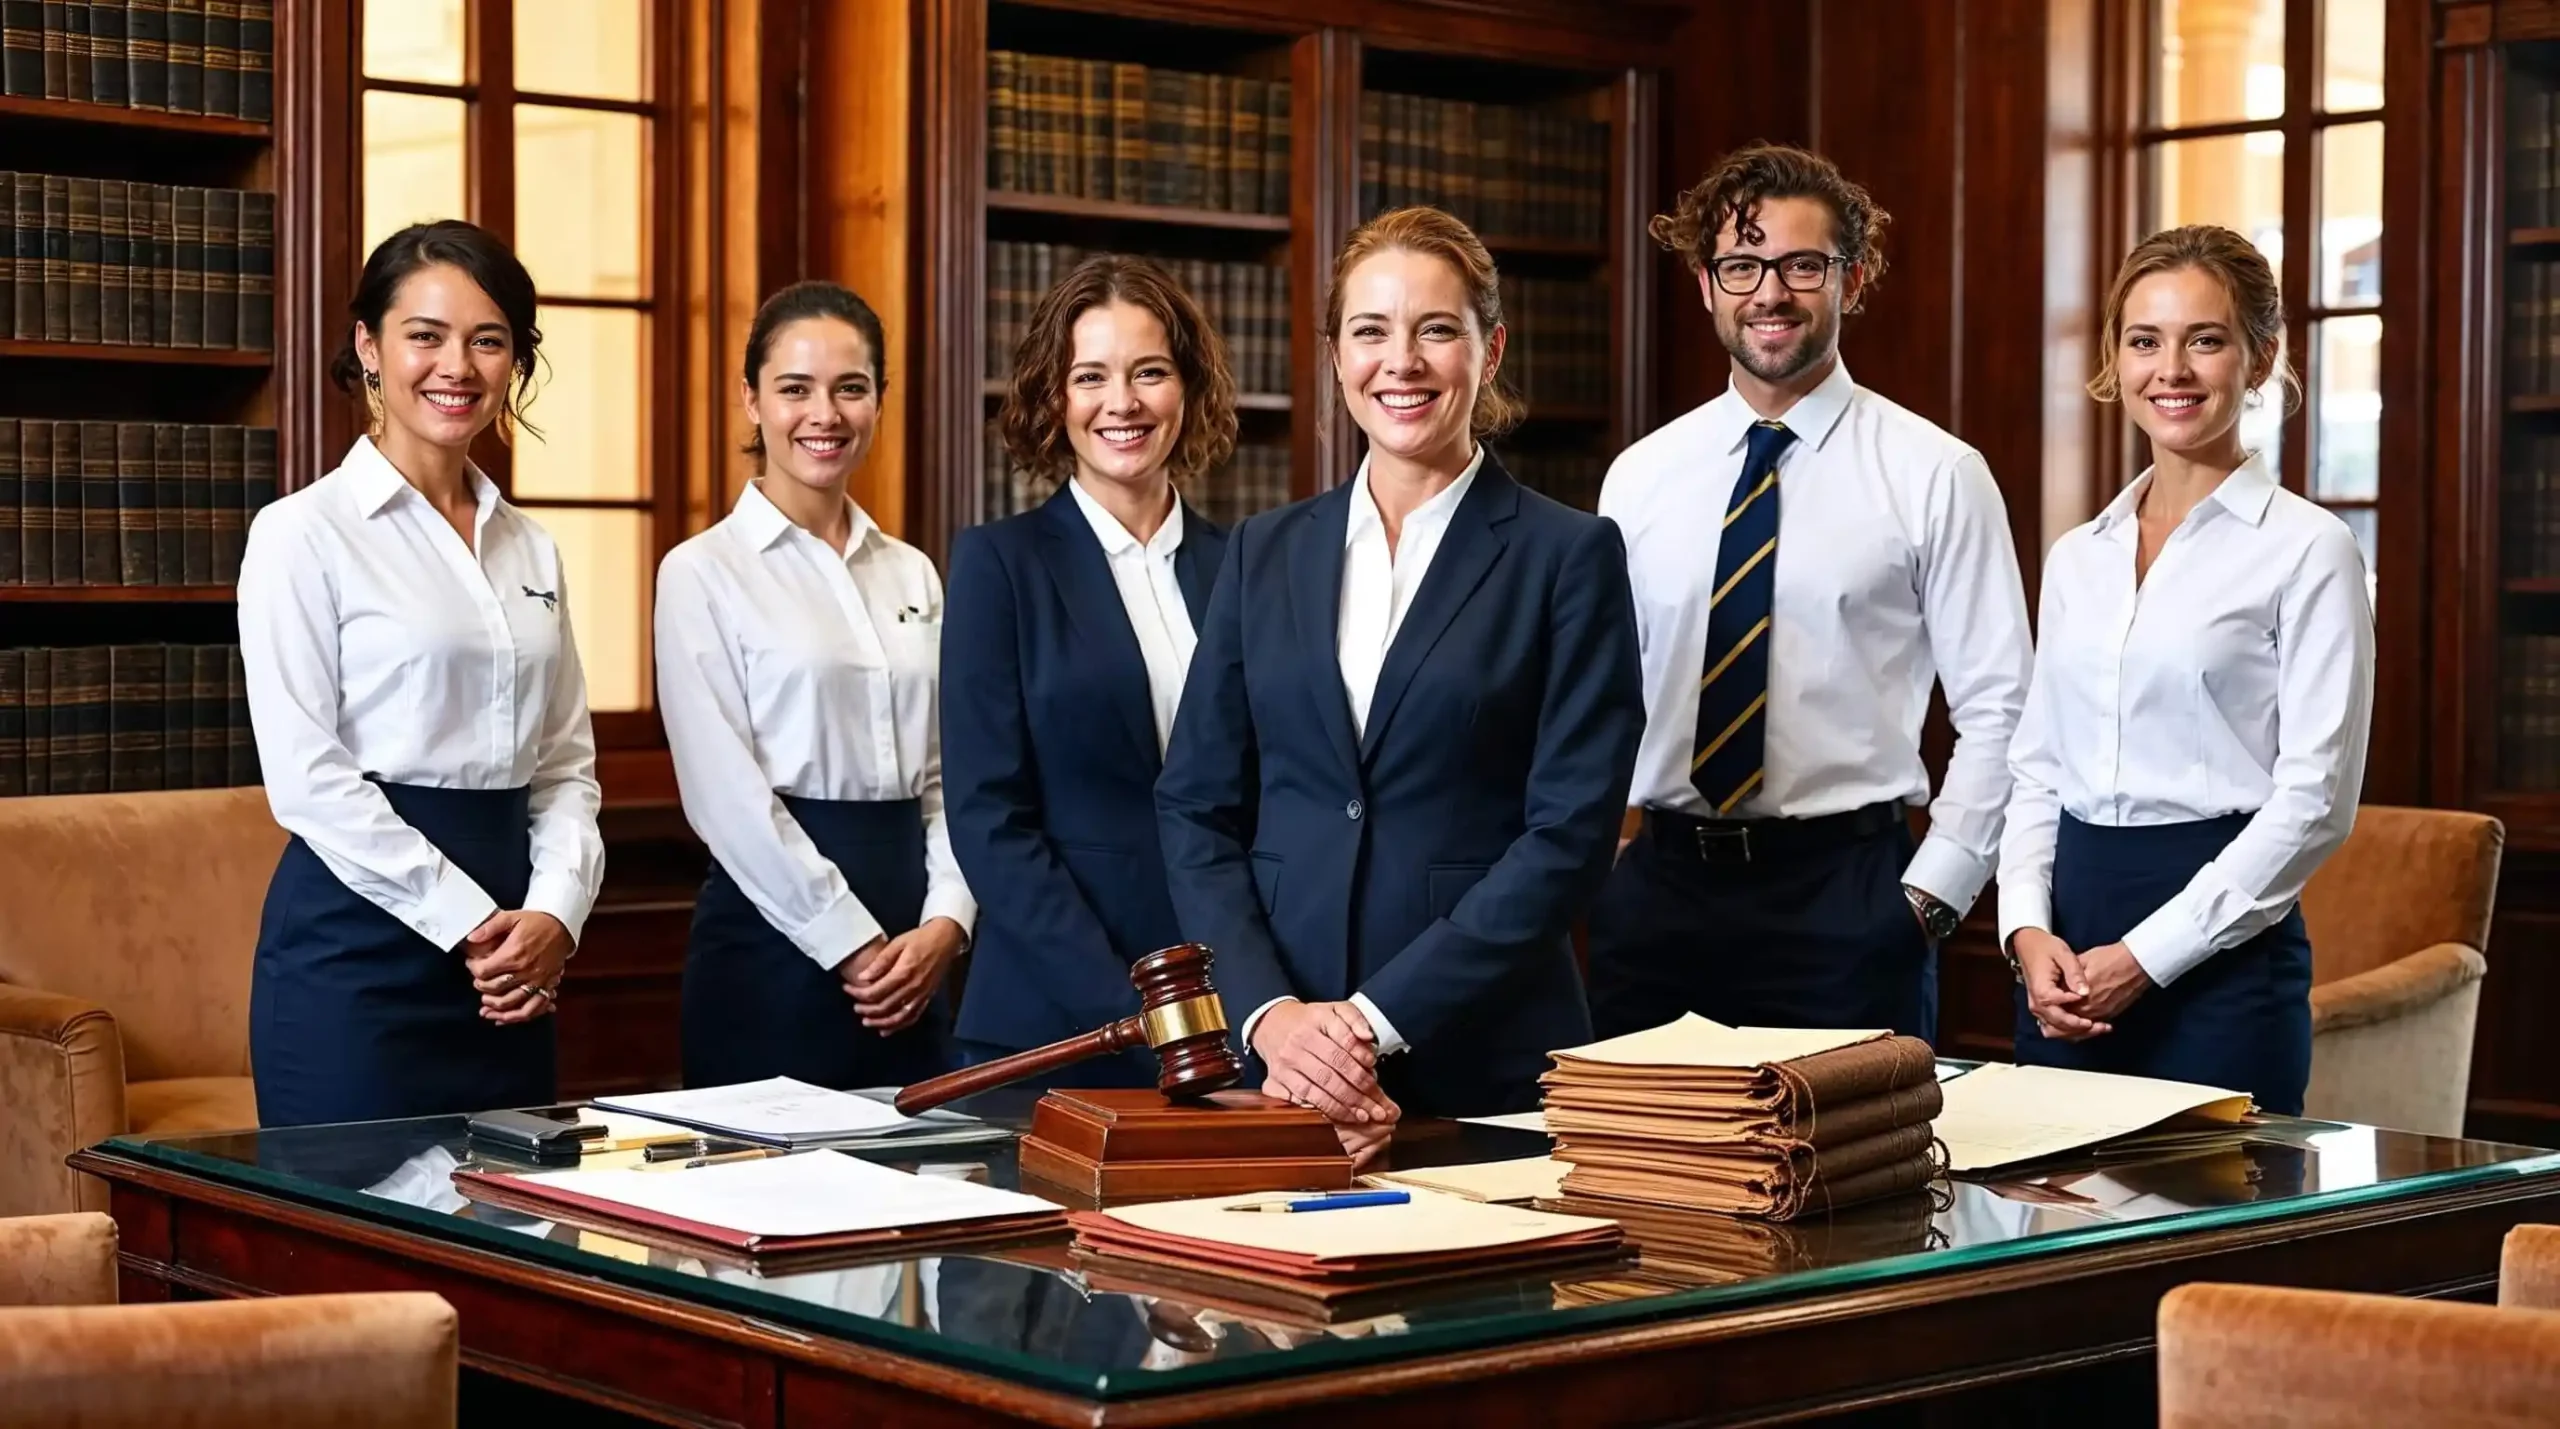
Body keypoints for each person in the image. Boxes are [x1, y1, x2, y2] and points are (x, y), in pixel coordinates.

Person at [1156, 206, 1645, 1138]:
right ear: (1337, 355)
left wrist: (1371, 1028)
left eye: (1436, 331)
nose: (1402, 362)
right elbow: (1195, 806)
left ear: (1489, 350)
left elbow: (1568, 837)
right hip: (1278, 1073)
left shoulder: (1569, 555)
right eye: (1371, 331)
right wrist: (1275, 1018)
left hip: (1484, 1062)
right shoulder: (1263, 551)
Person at [1588, 144, 2033, 1044]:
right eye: (1741, 265)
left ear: (1852, 277)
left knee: (1847, 1183)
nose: (1770, 292)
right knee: (1643, 1176)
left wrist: (1931, 896)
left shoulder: (1937, 473)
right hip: (1660, 896)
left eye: (1802, 264)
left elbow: (2004, 711)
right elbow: (1604, 698)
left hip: (1848, 898)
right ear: (1707, 284)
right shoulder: (1641, 477)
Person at [1999, 226, 2372, 1115]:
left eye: (2204, 339)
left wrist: (2148, 957)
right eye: (2145, 340)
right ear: (2115, 360)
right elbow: (2037, 768)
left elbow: (2316, 801)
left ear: (2259, 358)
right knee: (2053, 1241)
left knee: (2206, 1243)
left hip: (2225, 958)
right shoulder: (2077, 556)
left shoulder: (2310, 550)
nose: (2172, 369)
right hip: (2066, 958)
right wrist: (2024, 930)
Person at [239, 220, 604, 1127]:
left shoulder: (533, 546)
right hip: (355, 958)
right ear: (369, 346)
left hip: (514, 973)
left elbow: (564, 767)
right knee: (354, 1250)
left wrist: (555, 914)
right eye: (426, 335)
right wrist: (473, 922)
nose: (459, 365)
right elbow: (309, 778)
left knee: (506, 1243)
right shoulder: (301, 534)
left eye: (488, 340)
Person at [656, 281, 976, 1090]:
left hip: (916, 957)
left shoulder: (913, 572)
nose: (823, 414)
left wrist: (947, 921)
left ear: (879, 399)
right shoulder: (702, 573)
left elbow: (949, 776)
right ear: (751, 399)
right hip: (772, 948)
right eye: (795, 388)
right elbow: (725, 796)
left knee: (920, 1199)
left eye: (851, 388)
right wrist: (851, 942)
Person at [942, 255, 1236, 1086]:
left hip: (1231, 1017)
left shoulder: (1244, 566)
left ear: (1188, 388)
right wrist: (1132, 1007)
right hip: (1062, 1022)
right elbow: (988, 821)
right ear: (1053, 397)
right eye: (1091, 376)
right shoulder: (999, 565)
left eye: (1151, 372)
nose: (1124, 403)